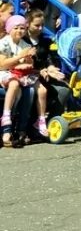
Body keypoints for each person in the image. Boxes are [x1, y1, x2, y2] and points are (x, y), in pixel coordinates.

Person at [0, 15, 47, 146]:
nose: (19, 31)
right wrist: (19, 58)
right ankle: (7, 129)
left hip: (20, 75)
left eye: (22, 28)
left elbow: (29, 64)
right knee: (15, 86)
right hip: (5, 74)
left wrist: (29, 62)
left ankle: (22, 130)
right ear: (9, 29)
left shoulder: (25, 45)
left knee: (31, 91)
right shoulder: (4, 42)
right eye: (16, 28)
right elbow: (2, 65)